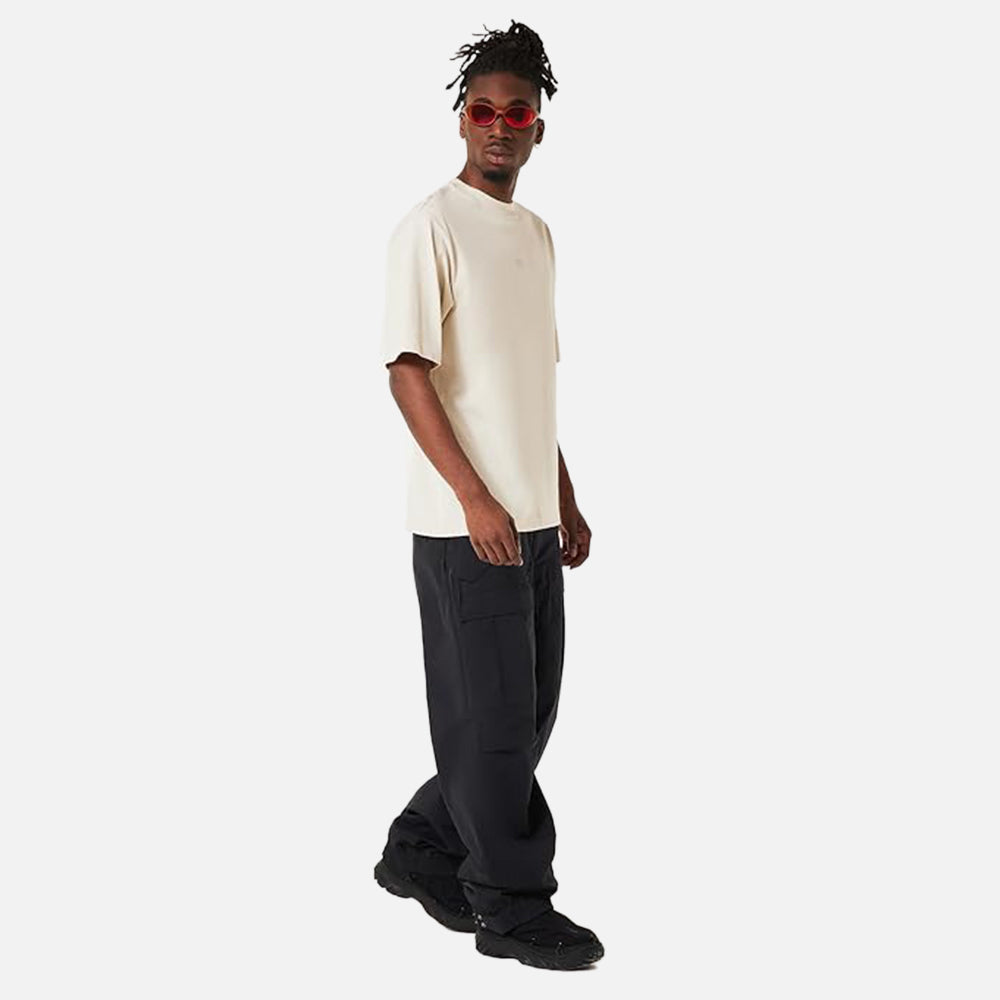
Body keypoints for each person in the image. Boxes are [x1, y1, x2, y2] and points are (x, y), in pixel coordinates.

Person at [374, 21, 602, 971]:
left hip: (535, 522)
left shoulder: (536, 236)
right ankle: (510, 907)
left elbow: (526, 386)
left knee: (525, 716)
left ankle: (422, 846)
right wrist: (474, 499)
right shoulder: (431, 226)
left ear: (538, 128)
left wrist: (564, 496)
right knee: (493, 726)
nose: (500, 126)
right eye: (484, 111)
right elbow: (408, 373)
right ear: (461, 122)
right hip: (466, 529)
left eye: (518, 113)